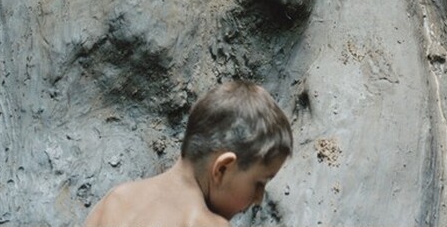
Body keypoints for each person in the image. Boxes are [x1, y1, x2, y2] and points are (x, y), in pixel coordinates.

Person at [84, 80, 292, 227]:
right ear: (222, 168)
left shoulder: (116, 200)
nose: (258, 198)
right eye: (259, 183)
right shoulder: (203, 224)